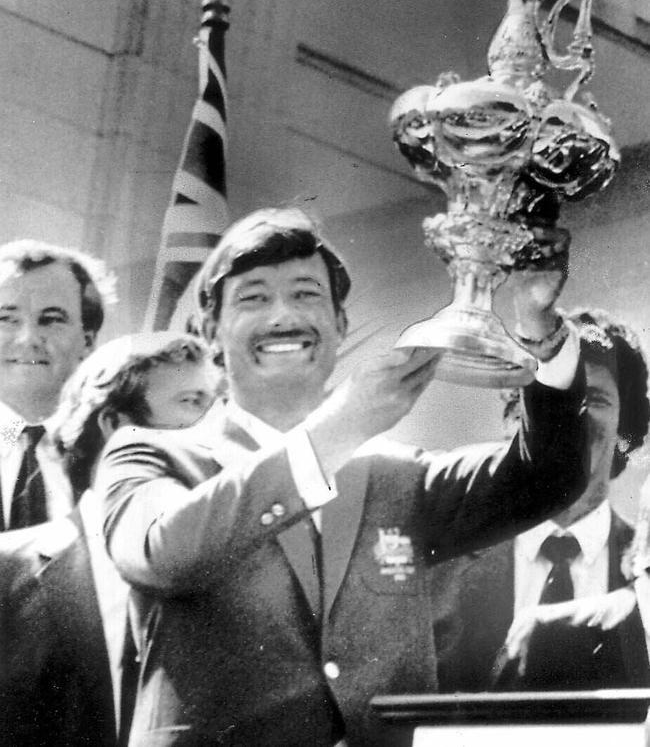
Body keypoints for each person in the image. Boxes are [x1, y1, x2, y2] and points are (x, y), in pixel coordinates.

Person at [98, 207, 588, 747]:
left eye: (306, 294)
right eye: (254, 298)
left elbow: (549, 477)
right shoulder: (148, 454)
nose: (283, 316)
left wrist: (537, 324)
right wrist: (338, 429)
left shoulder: (400, 477)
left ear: (339, 324)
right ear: (210, 330)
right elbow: (163, 554)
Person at [0, 332, 219, 747]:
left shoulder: (238, 566)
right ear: (117, 426)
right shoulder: (5, 574)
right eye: (193, 403)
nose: (218, 425)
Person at [437, 309, 650, 693]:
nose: (571, 418)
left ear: (627, 429)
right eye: (555, 400)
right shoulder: (443, 568)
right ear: (516, 420)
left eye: (595, 398)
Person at [0, 239, 115, 530]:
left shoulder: (115, 451)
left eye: (51, 320)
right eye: (6, 319)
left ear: (87, 341)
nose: (27, 338)